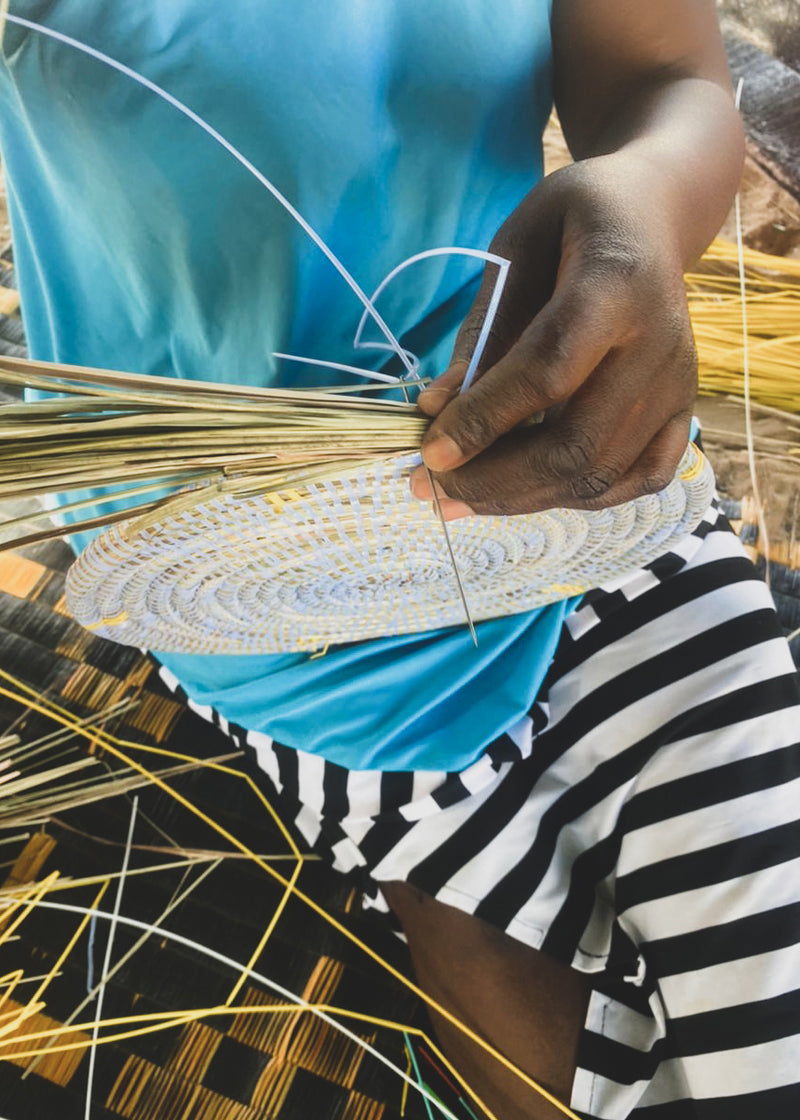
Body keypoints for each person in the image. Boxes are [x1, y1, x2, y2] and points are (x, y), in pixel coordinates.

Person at [1, 2, 798, 1117]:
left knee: (770, 1012)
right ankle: (401, 825)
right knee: (520, 965)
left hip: (556, 437)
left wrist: (649, 200)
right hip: (239, 551)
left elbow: (666, 77)